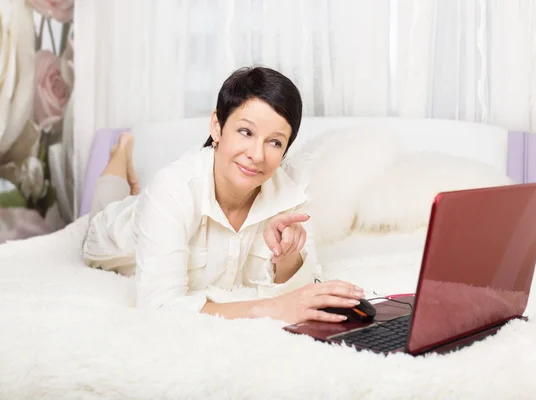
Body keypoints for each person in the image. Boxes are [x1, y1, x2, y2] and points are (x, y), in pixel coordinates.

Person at [82, 66, 364, 324]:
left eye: (275, 142)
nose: (256, 155)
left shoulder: (292, 192)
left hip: (157, 208)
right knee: (103, 212)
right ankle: (120, 154)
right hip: (116, 235)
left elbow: (304, 293)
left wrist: (288, 258)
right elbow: (158, 308)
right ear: (217, 127)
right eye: (245, 132)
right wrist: (269, 309)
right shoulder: (173, 187)